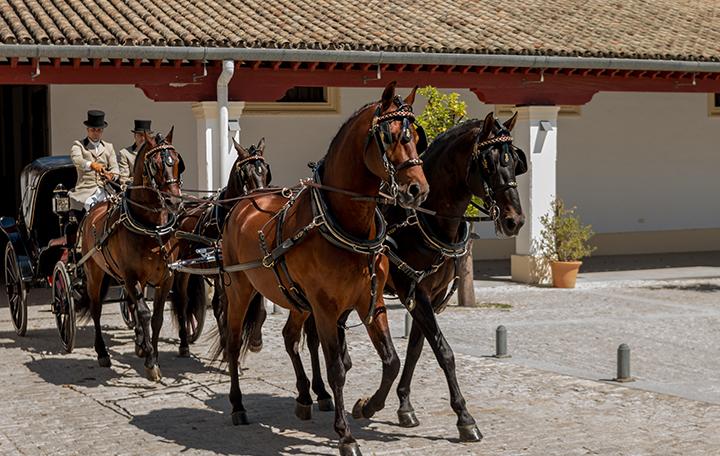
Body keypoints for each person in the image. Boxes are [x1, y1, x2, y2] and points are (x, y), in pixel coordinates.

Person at [67, 110, 119, 238]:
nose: (96, 133)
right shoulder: (78, 145)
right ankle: (83, 238)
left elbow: (115, 168)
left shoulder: (108, 147)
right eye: (93, 129)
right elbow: (77, 160)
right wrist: (92, 165)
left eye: (99, 130)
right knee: (89, 207)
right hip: (86, 190)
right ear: (88, 129)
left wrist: (112, 176)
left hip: (105, 189)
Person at [118, 119, 152, 184]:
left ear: (149, 137)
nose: (143, 139)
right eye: (140, 135)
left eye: (146, 136)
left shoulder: (154, 153)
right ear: (134, 136)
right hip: (135, 189)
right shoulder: (124, 153)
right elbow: (123, 179)